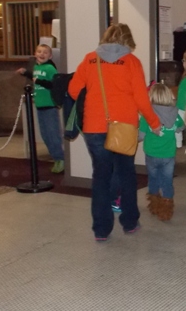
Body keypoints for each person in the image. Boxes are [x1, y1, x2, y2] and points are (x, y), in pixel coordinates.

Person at [68, 23, 161, 240]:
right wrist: (154, 122)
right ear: (128, 40)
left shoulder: (90, 59)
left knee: (101, 176)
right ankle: (129, 222)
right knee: (126, 174)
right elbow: (141, 99)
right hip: (124, 126)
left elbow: (73, 91)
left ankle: (101, 229)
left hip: (94, 127)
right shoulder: (131, 62)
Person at [16, 43, 64, 173]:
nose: (42, 54)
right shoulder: (37, 67)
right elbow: (34, 77)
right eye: (39, 51)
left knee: (53, 134)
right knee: (45, 135)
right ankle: (56, 158)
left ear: (50, 56)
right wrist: (25, 73)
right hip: (40, 106)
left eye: (45, 52)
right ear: (35, 54)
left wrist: (38, 81)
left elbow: (54, 84)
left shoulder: (50, 68)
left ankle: (60, 159)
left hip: (49, 106)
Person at [140, 83, 184, 221]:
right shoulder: (175, 114)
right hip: (168, 155)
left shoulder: (147, 116)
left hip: (151, 154)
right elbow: (181, 127)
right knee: (167, 181)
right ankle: (166, 210)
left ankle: (154, 205)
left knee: (153, 179)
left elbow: (140, 136)